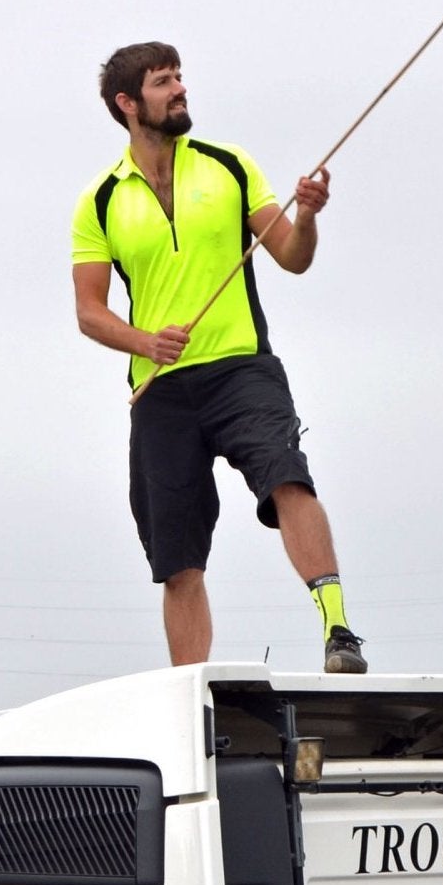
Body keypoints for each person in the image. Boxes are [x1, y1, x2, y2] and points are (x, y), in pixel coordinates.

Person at [71, 41, 366, 674]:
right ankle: (187, 691)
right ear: (128, 104)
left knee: (288, 474)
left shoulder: (229, 166)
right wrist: (145, 342)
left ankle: (339, 630)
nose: (179, 89)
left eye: (179, 77)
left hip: (242, 369)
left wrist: (308, 217)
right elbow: (89, 311)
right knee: (177, 558)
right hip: (161, 391)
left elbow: (292, 255)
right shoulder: (100, 200)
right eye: (162, 82)